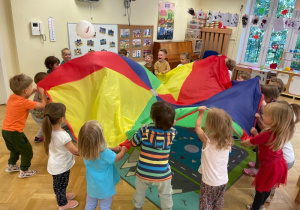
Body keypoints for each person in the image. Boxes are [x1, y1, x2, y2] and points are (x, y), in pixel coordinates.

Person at [241, 102, 294, 210]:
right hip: (279, 165)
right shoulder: (282, 131)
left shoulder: (267, 134)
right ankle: (261, 205)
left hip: (269, 168)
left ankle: (255, 207)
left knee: (260, 190)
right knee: (267, 187)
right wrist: (257, 130)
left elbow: (248, 143)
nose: (263, 115)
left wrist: (241, 137)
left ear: (275, 120)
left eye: (265, 115)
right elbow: (263, 138)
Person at [131, 101, 177, 210]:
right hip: (162, 174)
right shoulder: (173, 132)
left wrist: (140, 129)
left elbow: (133, 143)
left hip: (143, 172)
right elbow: (169, 128)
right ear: (172, 122)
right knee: (166, 194)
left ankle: (137, 207)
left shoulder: (144, 129)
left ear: (154, 119)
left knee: (140, 191)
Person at [2, 74, 47, 178]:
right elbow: (43, 106)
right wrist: (42, 93)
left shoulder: (12, 97)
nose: (32, 88)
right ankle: (24, 170)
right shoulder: (25, 103)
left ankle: (11, 165)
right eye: (31, 87)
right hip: (15, 133)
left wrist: (34, 91)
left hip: (5, 131)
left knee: (14, 150)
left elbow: (24, 95)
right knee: (27, 151)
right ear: (26, 90)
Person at [78, 120, 128, 210]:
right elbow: (117, 158)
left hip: (92, 186)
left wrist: (113, 148)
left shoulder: (84, 150)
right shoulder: (105, 153)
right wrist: (123, 150)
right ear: (100, 138)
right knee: (104, 206)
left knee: (90, 204)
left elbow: (96, 147)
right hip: (105, 187)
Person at [195, 106, 234, 210]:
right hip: (223, 180)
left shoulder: (207, 141)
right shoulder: (228, 140)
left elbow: (198, 127)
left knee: (205, 204)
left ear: (210, 125)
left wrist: (200, 114)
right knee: (218, 203)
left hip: (209, 182)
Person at [42, 102, 79, 209]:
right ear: (62, 119)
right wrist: (87, 151)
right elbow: (75, 151)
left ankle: (60, 196)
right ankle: (62, 204)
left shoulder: (47, 130)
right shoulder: (63, 136)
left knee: (58, 184)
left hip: (54, 165)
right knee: (61, 185)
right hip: (61, 167)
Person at [243, 84, 280, 177]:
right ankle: (257, 164)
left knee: (259, 148)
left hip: (263, 131)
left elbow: (264, 135)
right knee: (258, 148)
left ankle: (257, 169)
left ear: (267, 97)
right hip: (262, 129)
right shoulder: (269, 105)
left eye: (262, 94)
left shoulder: (266, 106)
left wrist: (256, 133)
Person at [30, 72, 49, 143]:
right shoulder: (42, 92)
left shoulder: (40, 89)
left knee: (44, 125)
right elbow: (44, 106)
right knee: (44, 126)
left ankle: (44, 135)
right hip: (38, 114)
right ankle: (38, 137)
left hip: (35, 112)